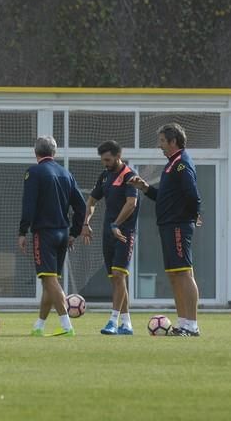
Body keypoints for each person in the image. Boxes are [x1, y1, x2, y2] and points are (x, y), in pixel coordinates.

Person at [128, 123, 202, 336]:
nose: (159, 145)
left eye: (162, 141)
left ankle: (192, 326)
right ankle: (182, 323)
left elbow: (192, 194)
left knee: (184, 273)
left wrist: (192, 215)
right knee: (174, 275)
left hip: (178, 225)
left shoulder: (181, 164)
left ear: (173, 141)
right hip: (168, 226)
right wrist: (145, 188)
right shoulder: (171, 165)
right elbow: (164, 197)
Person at [19, 136, 86, 337]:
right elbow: (81, 206)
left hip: (45, 233)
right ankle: (39, 326)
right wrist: (74, 232)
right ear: (54, 153)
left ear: (35, 152)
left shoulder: (34, 172)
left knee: (49, 279)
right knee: (50, 280)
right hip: (63, 233)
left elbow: (28, 204)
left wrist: (23, 231)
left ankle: (67, 326)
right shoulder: (66, 174)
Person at [81, 140, 140, 335]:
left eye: (107, 159)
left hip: (124, 234)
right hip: (108, 234)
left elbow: (131, 204)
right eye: (102, 160)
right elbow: (91, 200)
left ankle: (113, 321)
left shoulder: (129, 176)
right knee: (116, 280)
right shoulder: (105, 176)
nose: (105, 163)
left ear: (117, 156)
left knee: (118, 275)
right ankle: (127, 323)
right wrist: (86, 223)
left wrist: (117, 224)